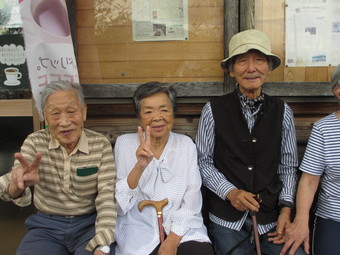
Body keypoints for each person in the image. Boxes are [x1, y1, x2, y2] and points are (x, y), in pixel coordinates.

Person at [195, 29, 306, 255]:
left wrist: (286, 209)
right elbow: (203, 162)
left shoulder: (283, 112)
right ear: (232, 71)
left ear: (269, 68)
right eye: (242, 61)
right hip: (227, 218)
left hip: (271, 218)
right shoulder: (213, 110)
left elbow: (287, 167)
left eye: (259, 60)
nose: (251, 68)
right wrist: (230, 192)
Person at [0, 81, 116, 255]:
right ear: (45, 117)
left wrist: (103, 244)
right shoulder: (35, 141)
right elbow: (10, 184)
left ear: (83, 111)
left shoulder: (100, 144)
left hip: (88, 226)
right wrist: (18, 183)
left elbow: (107, 197)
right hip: (46, 226)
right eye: (55, 114)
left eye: (71, 111)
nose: (64, 122)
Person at [114, 82, 213, 255]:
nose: (157, 117)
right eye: (149, 111)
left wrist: (173, 239)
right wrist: (140, 166)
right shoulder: (124, 144)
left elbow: (192, 198)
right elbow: (120, 205)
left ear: (173, 113)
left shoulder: (185, 145)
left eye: (164, 110)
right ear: (139, 116)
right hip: (138, 227)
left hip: (183, 227)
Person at [280, 65, 340, 255]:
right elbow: (309, 180)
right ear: (338, 92)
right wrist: (301, 220)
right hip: (333, 217)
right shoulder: (324, 129)